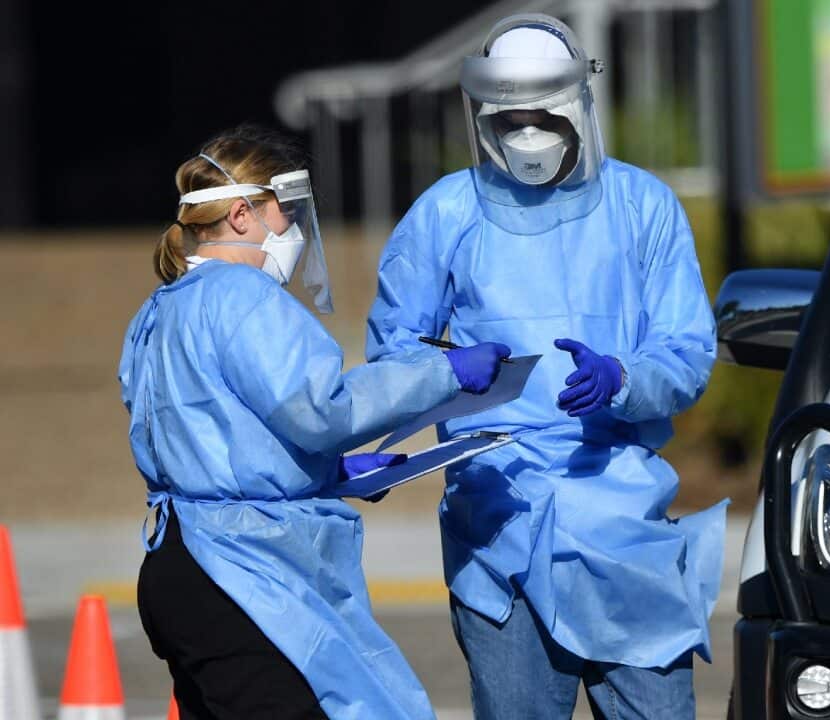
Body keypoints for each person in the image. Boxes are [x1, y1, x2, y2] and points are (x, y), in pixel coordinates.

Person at [366, 14, 725, 720]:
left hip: (624, 526)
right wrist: (446, 374)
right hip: (499, 531)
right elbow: (392, 356)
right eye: (512, 120)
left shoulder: (642, 206)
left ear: (578, 107)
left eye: (542, 117)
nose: (528, 137)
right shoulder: (445, 214)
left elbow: (686, 350)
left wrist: (621, 380)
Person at [119, 125, 511, 720]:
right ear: (245, 214)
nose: (296, 231)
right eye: (289, 212)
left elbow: (209, 436)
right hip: (242, 570)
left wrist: (328, 471)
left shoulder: (159, 307)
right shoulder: (243, 297)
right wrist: (444, 372)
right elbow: (323, 408)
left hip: (176, 563)